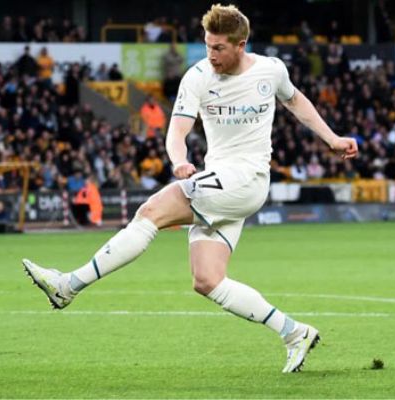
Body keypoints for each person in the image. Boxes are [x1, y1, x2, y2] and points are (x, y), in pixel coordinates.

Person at [23, 4, 357, 374]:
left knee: (151, 211)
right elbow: (177, 131)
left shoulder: (271, 70)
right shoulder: (197, 77)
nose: (211, 54)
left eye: (219, 48)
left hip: (247, 178)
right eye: (208, 45)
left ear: (241, 44)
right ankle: (294, 333)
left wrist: (332, 138)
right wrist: (179, 160)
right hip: (222, 181)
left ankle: (68, 285)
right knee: (207, 280)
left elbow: (294, 100)